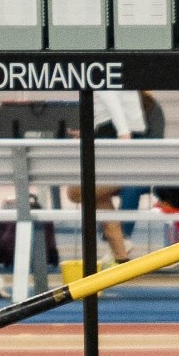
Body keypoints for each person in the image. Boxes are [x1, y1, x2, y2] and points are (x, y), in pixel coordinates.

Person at [67, 89, 149, 263]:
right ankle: (121, 255)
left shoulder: (98, 67)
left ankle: (121, 247)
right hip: (116, 132)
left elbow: (110, 98)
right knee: (97, 195)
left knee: (76, 192)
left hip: (117, 134)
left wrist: (123, 134)